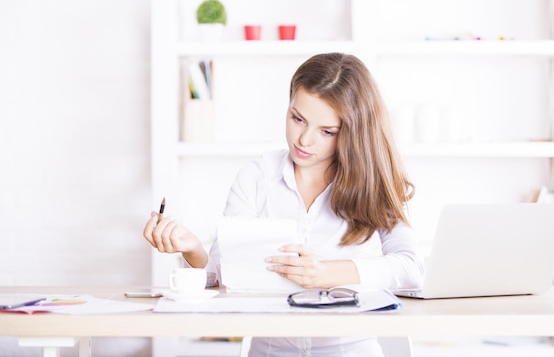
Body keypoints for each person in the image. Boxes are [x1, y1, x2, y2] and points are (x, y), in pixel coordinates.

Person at [144, 52, 424, 357]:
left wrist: (326, 273)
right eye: (297, 118)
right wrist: (192, 248)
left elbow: (411, 269)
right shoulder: (258, 176)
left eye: (326, 131)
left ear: (352, 133)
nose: (304, 140)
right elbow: (220, 275)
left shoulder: (372, 181)